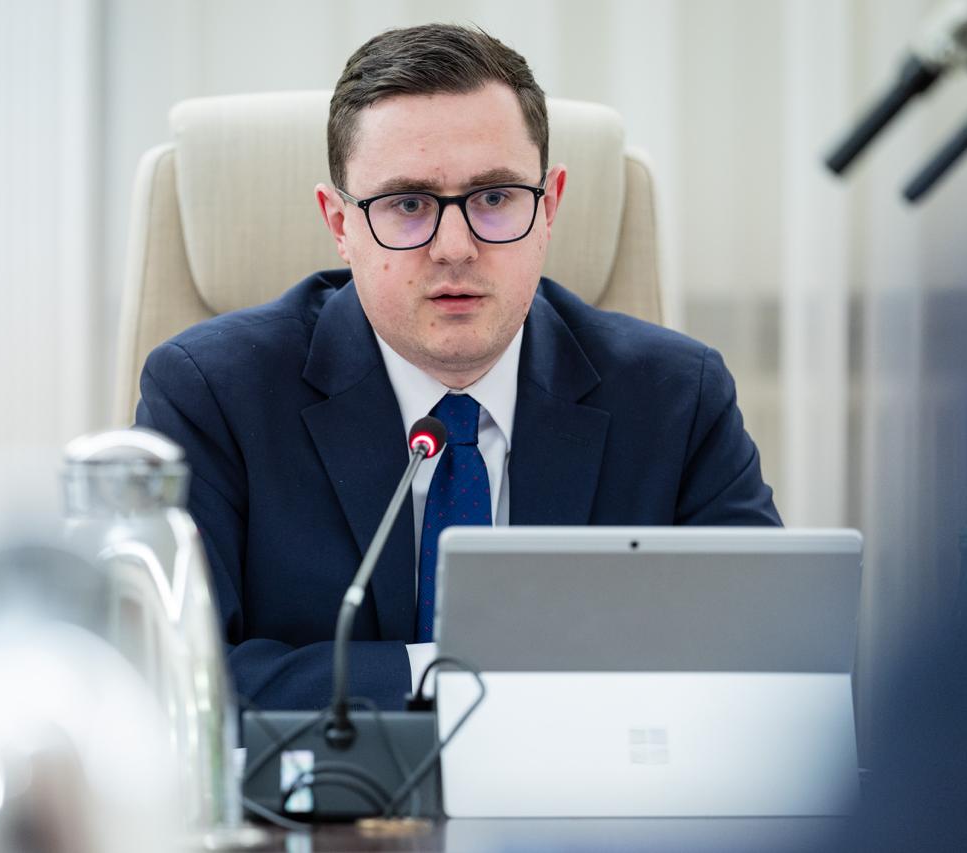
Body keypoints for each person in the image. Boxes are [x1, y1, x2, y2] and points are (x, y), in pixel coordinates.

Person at [136, 24, 780, 711]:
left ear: (549, 207)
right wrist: (455, 676)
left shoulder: (677, 399)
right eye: (408, 204)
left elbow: (764, 656)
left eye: (494, 197)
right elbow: (175, 678)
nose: (455, 247)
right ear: (340, 225)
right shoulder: (211, 395)